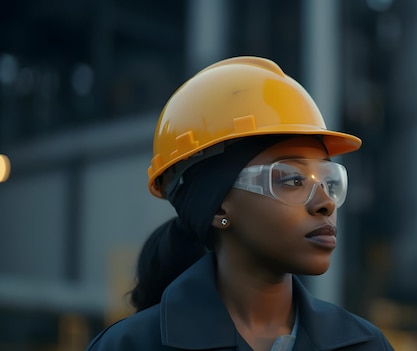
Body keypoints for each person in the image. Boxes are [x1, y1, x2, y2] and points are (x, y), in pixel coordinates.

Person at [85, 56, 394, 350]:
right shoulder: (132, 346)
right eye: (292, 180)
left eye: (329, 181)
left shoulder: (363, 345)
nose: (325, 203)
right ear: (218, 206)